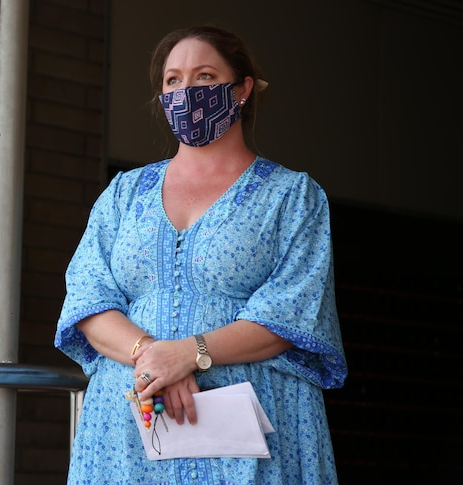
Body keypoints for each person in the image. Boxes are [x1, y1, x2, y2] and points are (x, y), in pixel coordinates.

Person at [54, 24, 347, 484]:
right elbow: (88, 299)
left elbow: (293, 313)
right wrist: (153, 356)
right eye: (173, 81)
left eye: (205, 76)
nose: (186, 91)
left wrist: (192, 354)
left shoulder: (291, 196)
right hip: (127, 432)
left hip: (250, 430)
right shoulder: (125, 193)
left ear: (243, 88)